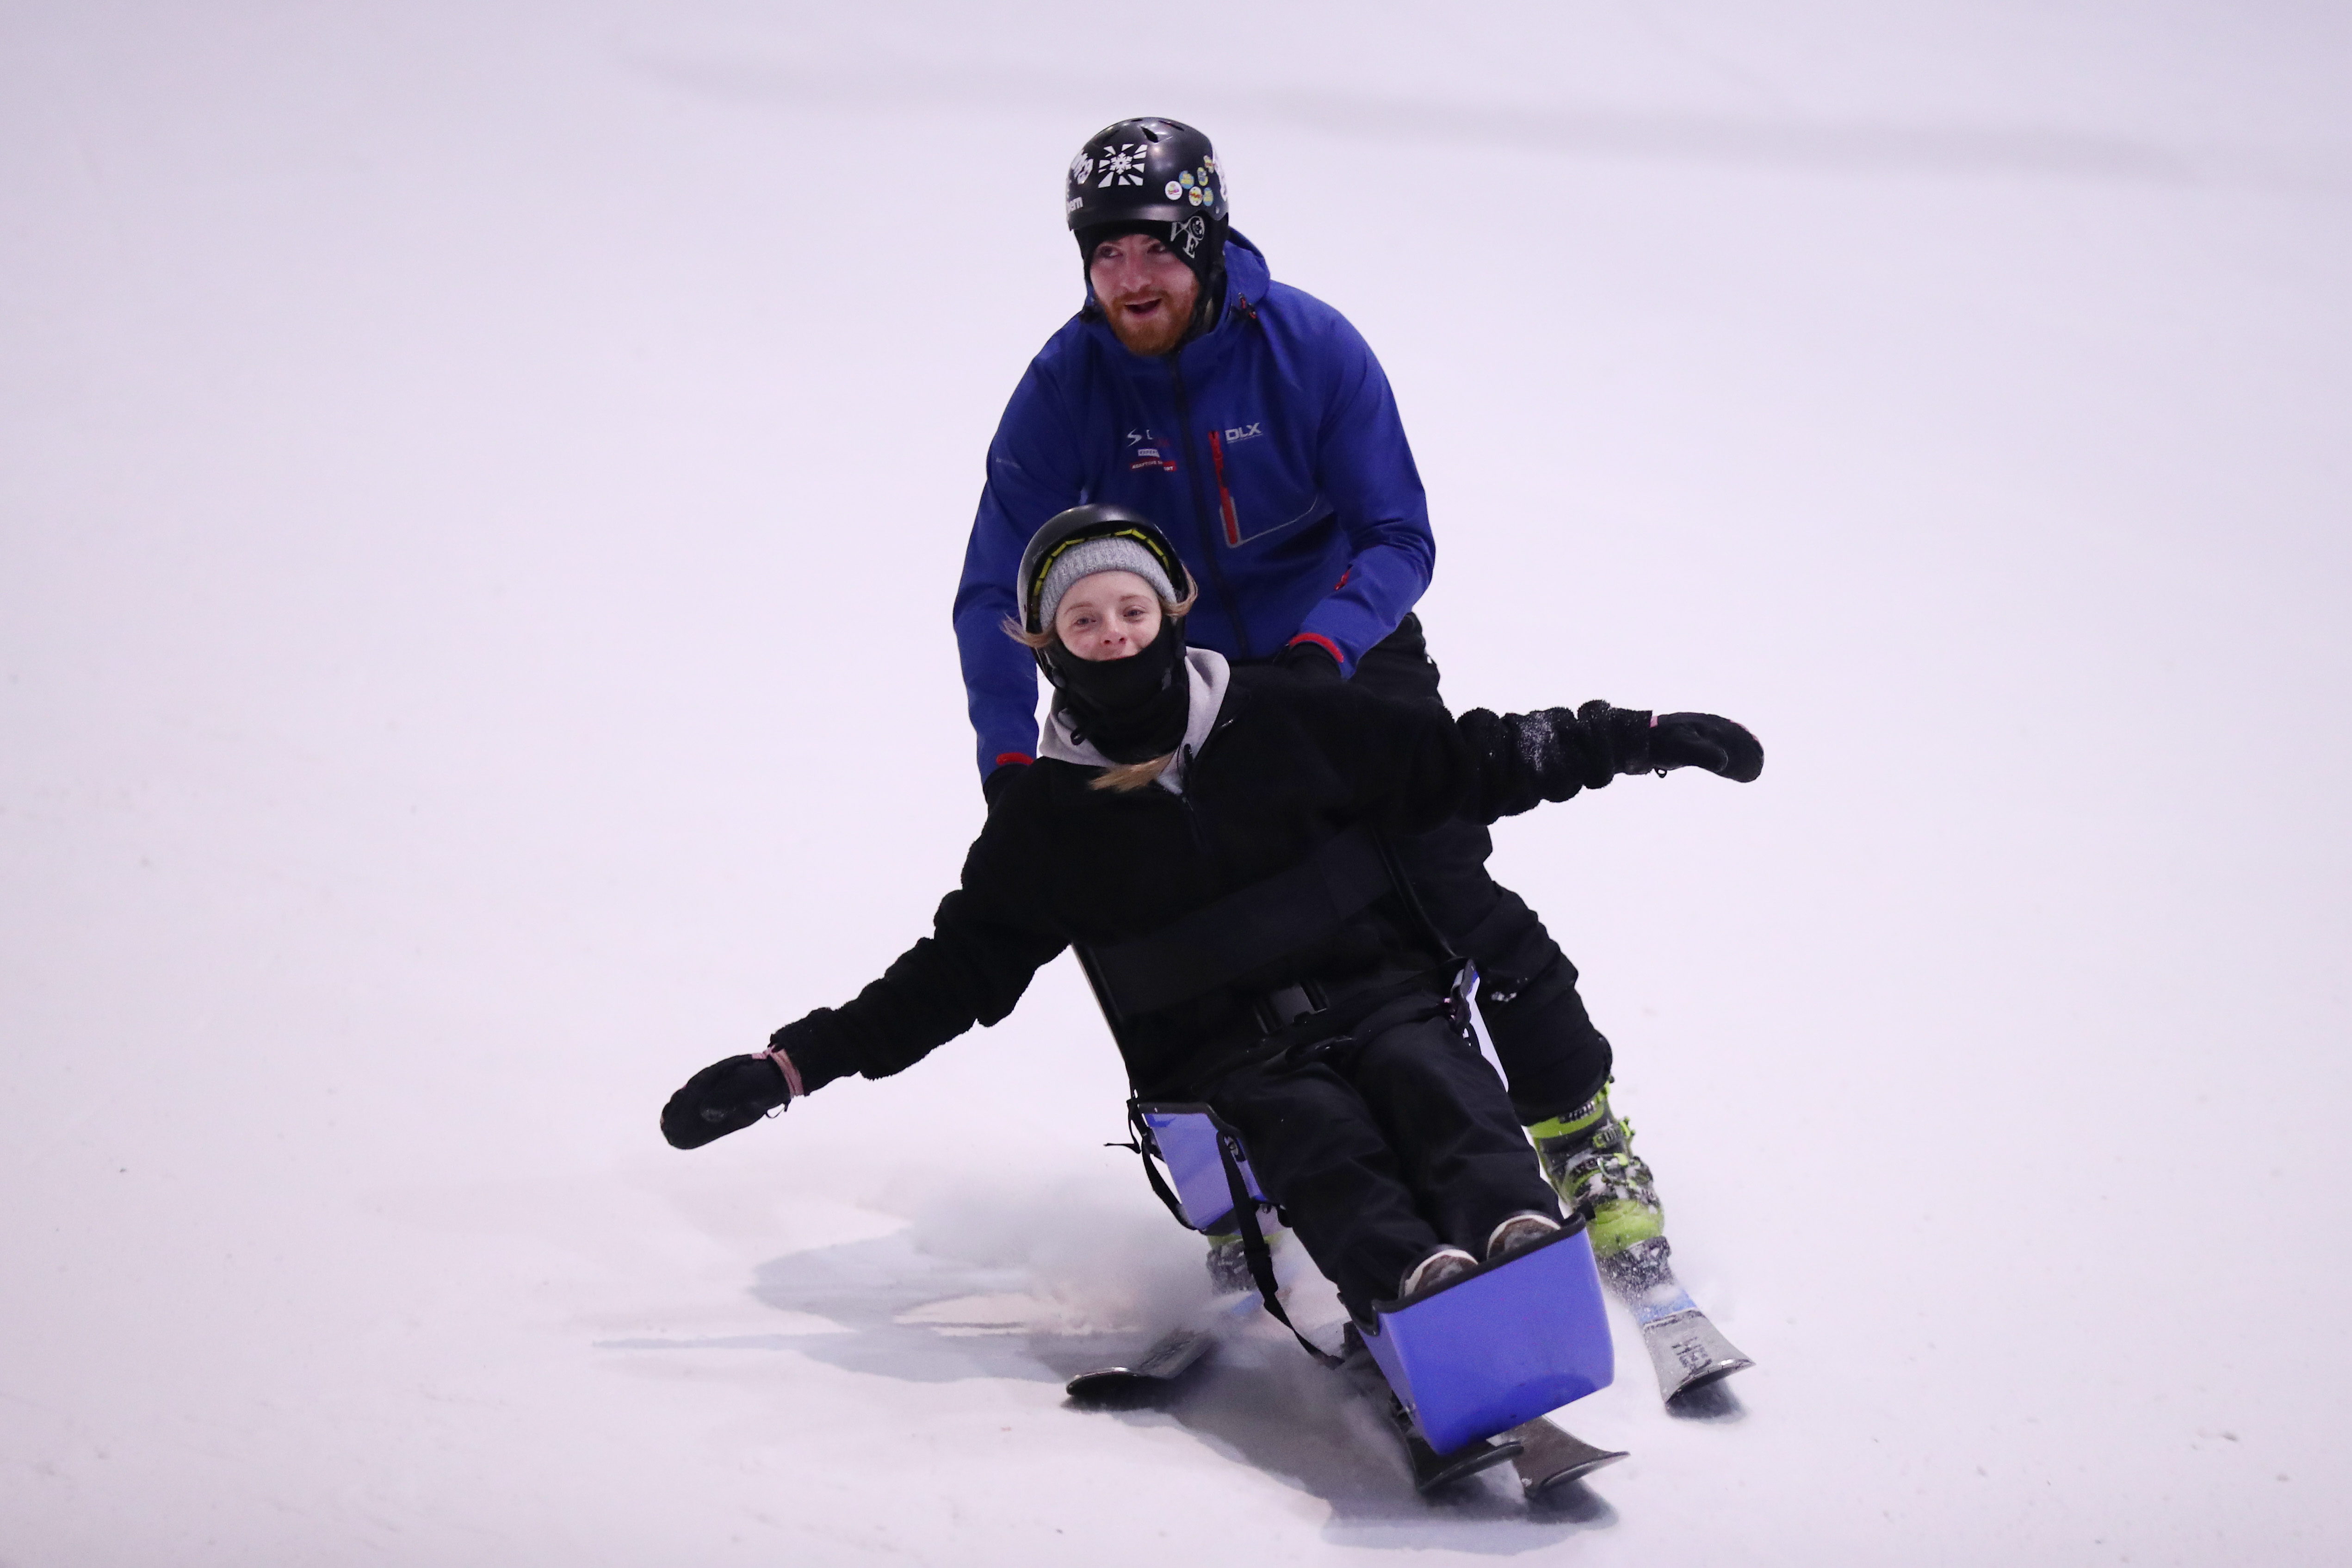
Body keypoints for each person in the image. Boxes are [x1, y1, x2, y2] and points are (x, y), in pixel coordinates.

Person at [667, 508, 1763, 1319]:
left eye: (1130, 609)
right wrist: (790, 1068)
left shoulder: (1284, 713)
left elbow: (1463, 761)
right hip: (1239, 1065)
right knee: (1324, 1145)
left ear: (1168, 611)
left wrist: (1640, 737)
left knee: (1439, 1088)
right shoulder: (1046, 819)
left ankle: (1515, 1241)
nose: (1111, 632)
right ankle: (1413, 1289)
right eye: (1082, 619)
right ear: (1046, 643)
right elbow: (956, 972)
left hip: (1380, 998)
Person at [950, 117, 1685, 1273]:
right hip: (1172, 684)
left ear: (1203, 236)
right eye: (1103, 256)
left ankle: (1578, 1134)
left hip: (1340, 657)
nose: (1128, 280)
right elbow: (993, 588)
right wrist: (1010, 768)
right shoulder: (1063, 387)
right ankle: (1263, 1180)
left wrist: (1321, 654)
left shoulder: (1310, 348)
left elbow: (1399, 535)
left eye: (1150, 250)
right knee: (1178, 935)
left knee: (1439, 883)